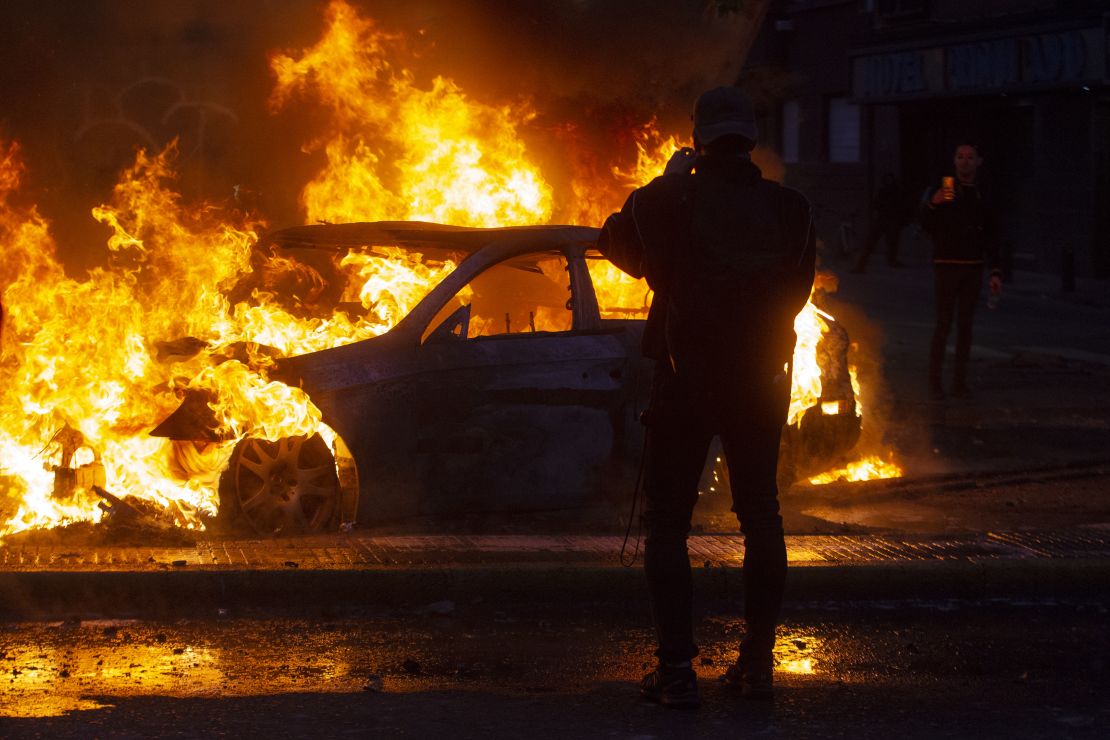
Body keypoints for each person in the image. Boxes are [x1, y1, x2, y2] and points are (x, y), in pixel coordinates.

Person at [597, 86, 816, 709]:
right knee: (761, 515)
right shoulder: (791, 208)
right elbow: (796, 291)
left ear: (698, 138)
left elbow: (618, 243)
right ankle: (758, 663)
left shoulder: (668, 200)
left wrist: (663, 182)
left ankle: (675, 671)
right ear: (750, 138)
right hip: (761, 382)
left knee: (668, 525)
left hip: (685, 381)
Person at [921, 142, 1002, 400]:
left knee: (965, 327)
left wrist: (996, 270)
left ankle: (959, 382)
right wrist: (933, 204)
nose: (965, 161)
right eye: (960, 157)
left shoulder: (983, 193)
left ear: (979, 161)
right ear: (954, 161)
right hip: (946, 265)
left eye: (970, 157)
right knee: (943, 324)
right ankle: (935, 382)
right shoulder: (945, 189)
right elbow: (925, 225)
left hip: (973, 267)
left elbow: (992, 234)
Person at [852, 172, 910, 273]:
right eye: (886, 179)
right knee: (870, 243)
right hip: (881, 220)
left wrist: (901, 221)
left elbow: (903, 207)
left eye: (890, 179)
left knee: (892, 242)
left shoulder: (898, 192)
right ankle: (860, 265)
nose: (888, 181)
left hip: (892, 221)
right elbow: (876, 204)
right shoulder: (883, 191)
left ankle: (891, 261)